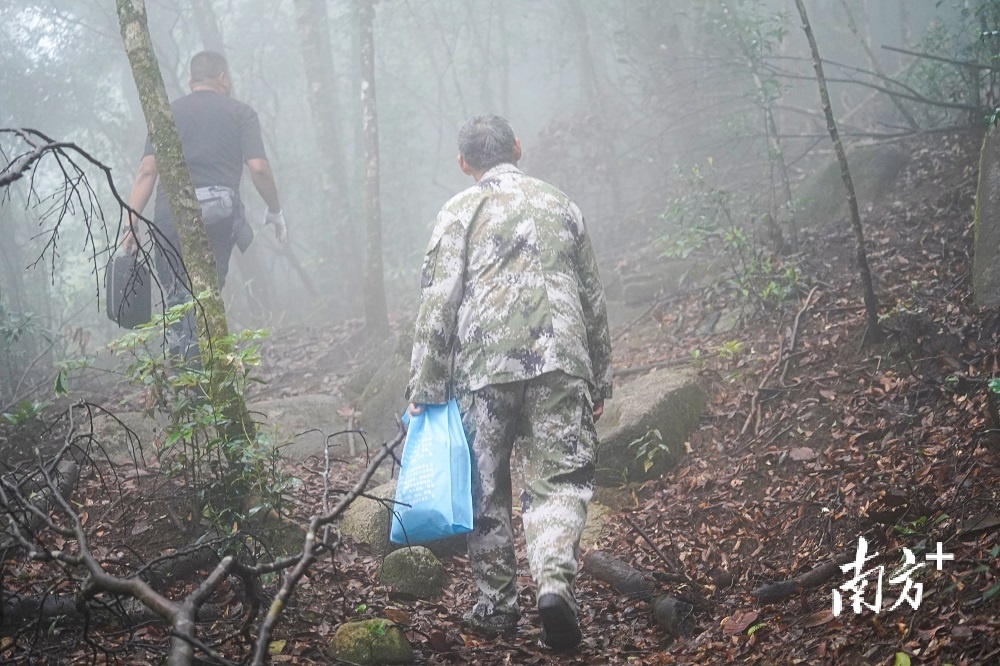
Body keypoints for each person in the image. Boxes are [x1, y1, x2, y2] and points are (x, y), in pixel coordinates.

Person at [406, 114, 613, 650]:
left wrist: (424, 388)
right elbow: (592, 298)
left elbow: (438, 304)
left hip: (484, 368)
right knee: (561, 481)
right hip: (562, 360)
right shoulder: (561, 203)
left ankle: (496, 606)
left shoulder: (457, 211)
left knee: (486, 488)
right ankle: (553, 586)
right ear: (518, 148)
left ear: (464, 164)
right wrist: (602, 377)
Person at [124, 50, 286, 359]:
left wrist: (131, 222)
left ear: (191, 81)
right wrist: (275, 210)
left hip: (169, 219)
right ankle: (206, 382)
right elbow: (259, 168)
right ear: (223, 78)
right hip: (216, 221)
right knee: (205, 298)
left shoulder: (167, 114)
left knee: (176, 302)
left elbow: (147, 170)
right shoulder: (240, 113)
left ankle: (186, 380)